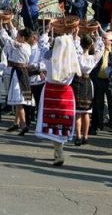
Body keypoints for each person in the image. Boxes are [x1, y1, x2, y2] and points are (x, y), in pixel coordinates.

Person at [35, 33, 81, 166]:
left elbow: (42, 46)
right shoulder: (73, 58)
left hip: (51, 91)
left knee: (52, 122)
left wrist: (46, 33)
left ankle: (59, 151)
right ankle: (57, 150)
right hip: (66, 92)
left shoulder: (49, 56)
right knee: (62, 122)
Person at [0, 23, 33, 135]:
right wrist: (9, 23)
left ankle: (23, 125)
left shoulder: (21, 46)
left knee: (19, 101)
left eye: (18, 36)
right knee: (20, 99)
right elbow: (14, 34)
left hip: (19, 73)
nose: (16, 37)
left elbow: (7, 39)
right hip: (22, 72)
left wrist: (1, 27)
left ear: (23, 38)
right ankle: (16, 123)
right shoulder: (27, 45)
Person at [72, 32, 103, 145]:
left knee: (78, 112)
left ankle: (78, 136)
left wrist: (75, 35)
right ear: (90, 46)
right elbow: (101, 48)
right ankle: (85, 136)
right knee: (86, 112)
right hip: (88, 82)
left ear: (81, 44)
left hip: (77, 81)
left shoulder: (77, 56)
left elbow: (74, 45)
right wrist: (97, 36)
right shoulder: (92, 58)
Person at [90, 31, 112, 134]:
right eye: (103, 38)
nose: (103, 40)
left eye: (105, 39)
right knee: (97, 104)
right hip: (98, 80)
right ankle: (96, 125)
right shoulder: (99, 49)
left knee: (111, 103)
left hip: (110, 81)